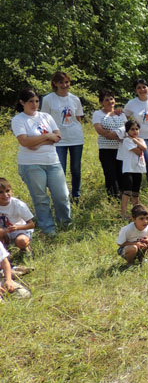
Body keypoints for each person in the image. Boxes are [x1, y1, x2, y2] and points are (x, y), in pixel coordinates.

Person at [11, 88, 71, 235]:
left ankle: (65, 224)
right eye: (31, 101)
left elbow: (57, 136)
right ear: (22, 102)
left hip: (53, 162)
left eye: (37, 101)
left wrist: (38, 142)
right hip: (31, 164)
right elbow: (25, 142)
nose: (34, 104)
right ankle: (48, 228)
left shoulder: (46, 116)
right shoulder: (18, 119)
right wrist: (47, 137)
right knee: (40, 198)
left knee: (62, 195)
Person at [41, 72, 84, 203]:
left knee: (76, 169)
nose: (64, 85)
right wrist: (49, 137)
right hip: (58, 140)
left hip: (76, 138)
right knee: (60, 170)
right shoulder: (48, 99)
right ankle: (62, 196)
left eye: (66, 82)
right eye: (61, 82)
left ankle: (76, 196)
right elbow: (44, 120)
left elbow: (78, 118)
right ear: (55, 83)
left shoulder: (75, 99)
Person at [91, 90, 127, 198]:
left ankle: (123, 197)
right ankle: (112, 198)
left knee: (121, 173)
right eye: (106, 100)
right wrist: (112, 135)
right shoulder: (98, 114)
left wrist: (116, 134)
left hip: (121, 148)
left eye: (111, 99)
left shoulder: (120, 114)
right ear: (101, 102)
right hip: (106, 148)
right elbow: (99, 129)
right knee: (110, 173)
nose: (110, 101)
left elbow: (127, 128)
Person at [119, 121, 148, 218]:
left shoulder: (140, 140)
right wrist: (137, 143)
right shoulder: (127, 141)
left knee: (136, 192)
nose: (135, 131)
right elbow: (138, 151)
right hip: (129, 169)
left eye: (137, 129)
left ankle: (136, 213)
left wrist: (136, 141)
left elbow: (144, 148)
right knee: (127, 191)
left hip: (138, 169)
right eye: (132, 129)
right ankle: (123, 213)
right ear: (127, 131)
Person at [0, 178, 34, 253]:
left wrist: (17, 227)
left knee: (22, 241)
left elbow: (31, 224)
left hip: (19, 230)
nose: (5, 195)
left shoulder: (18, 204)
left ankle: (25, 247)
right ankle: (3, 252)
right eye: (0, 192)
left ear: (11, 190)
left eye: (7, 191)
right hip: (4, 231)